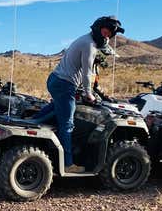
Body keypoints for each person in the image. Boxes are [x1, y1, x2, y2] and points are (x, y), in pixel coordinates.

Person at [33, 16, 125, 173]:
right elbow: (87, 72)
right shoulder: (89, 45)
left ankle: (31, 122)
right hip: (64, 84)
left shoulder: (86, 40)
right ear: (98, 28)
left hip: (57, 80)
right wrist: (89, 93)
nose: (106, 36)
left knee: (57, 107)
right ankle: (68, 164)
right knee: (67, 124)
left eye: (109, 34)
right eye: (105, 32)